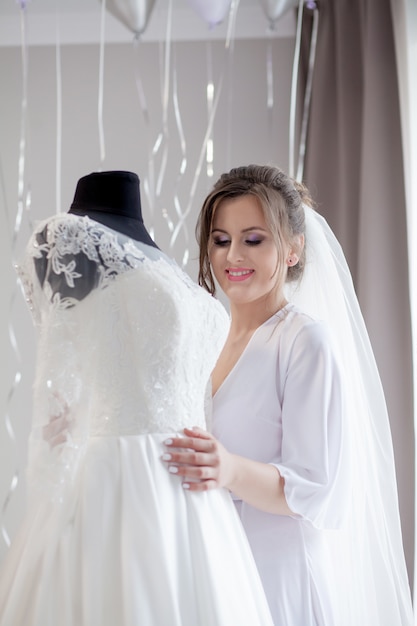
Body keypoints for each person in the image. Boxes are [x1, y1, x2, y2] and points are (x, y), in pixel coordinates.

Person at [0, 170, 274, 625]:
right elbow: (65, 360)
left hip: (196, 499)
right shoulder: (67, 237)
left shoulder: (160, 260)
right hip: (121, 477)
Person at [162, 164, 414, 625]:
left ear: (293, 250)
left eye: (253, 239)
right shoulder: (204, 339)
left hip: (278, 581)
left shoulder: (304, 342)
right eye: (220, 240)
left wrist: (229, 467)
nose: (232, 255)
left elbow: (315, 487)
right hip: (213, 570)